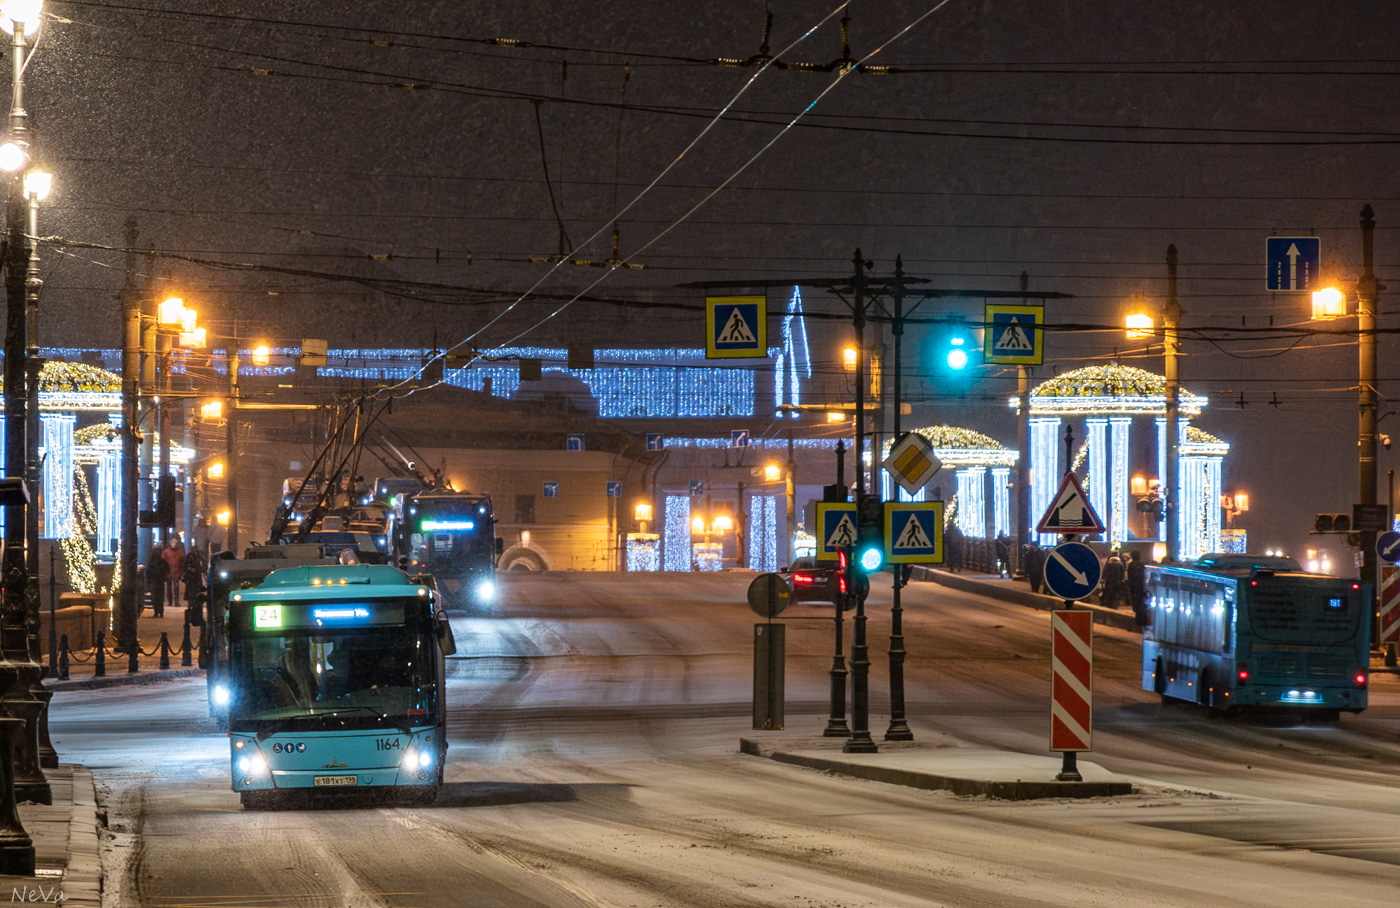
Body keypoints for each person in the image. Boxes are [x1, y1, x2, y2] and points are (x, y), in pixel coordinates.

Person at [145, 547, 169, 618]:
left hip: (159, 581)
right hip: (155, 581)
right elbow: (148, 572)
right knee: (155, 597)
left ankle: (160, 612)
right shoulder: (152, 562)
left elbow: (166, 570)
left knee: (159, 597)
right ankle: (157, 611)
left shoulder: (161, 562)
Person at [163, 536, 186, 605]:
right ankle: (172, 601)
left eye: (175, 543)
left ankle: (175, 601)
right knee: (171, 587)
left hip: (175, 571)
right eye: (173, 542)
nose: (174, 544)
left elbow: (182, 562)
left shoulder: (168, 552)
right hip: (170, 571)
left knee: (175, 587)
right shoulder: (170, 552)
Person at [1127, 550, 1148, 626]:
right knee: (1141, 604)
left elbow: (1130, 577)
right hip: (1142, 588)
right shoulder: (1143, 565)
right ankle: (1142, 620)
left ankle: (1139, 620)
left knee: (1136, 604)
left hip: (1134, 588)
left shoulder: (1131, 565)